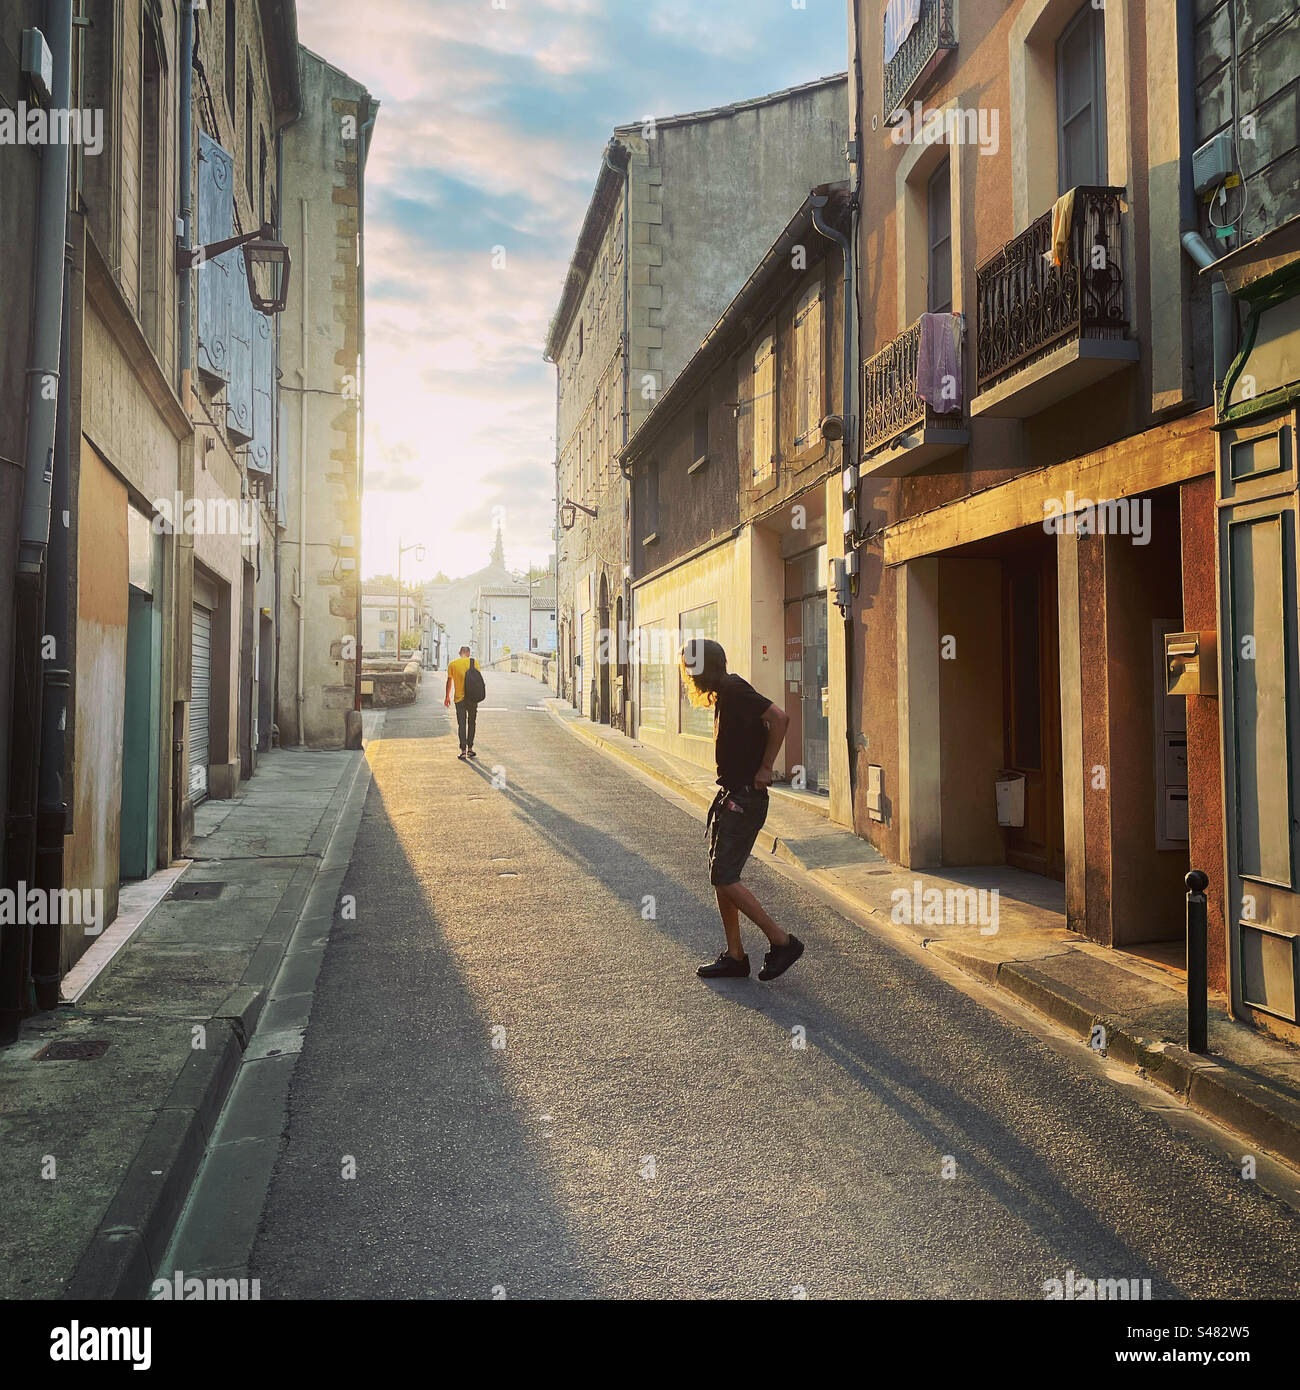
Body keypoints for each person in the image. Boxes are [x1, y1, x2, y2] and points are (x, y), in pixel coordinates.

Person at [680, 638, 805, 982]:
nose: (688, 675)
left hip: (745, 799)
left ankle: (782, 942)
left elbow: (780, 718)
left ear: (702, 666)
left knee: (724, 876)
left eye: (691, 667)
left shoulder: (734, 689)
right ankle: (735, 957)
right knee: (722, 875)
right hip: (734, 796)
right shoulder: (725, 693)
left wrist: (766, 768)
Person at [444, 645, 480, 761]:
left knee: (462, 724)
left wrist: (447, 697)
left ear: (460, 652)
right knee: (472, 722)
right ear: (468, 653)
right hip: (472, 698)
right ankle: (470, 749)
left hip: (459, 698)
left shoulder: (452, 664)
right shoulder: (474, 662)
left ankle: (463, 751)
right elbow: (478, 680)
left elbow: (449, 681)